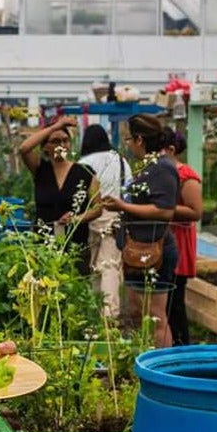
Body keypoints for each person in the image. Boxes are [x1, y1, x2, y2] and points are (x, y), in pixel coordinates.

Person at [101, 113, 179, 348]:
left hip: (155, 251)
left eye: (128, 140)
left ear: (139, 139)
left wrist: (123, 206)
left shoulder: (163, 168)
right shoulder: (149, 166)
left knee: (156, 317)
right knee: (136, 312)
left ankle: (162, 368)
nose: (128, 145)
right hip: (137, 251)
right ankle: (142, 359)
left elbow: (165, 211)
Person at [17, 116, 101, 274]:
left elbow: (98, 208)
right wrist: (56, 126)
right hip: (43, 244)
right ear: (44, 147)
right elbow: (24, 149)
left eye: (65, 140)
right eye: (55, 141)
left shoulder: (85, 172)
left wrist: (76, 218)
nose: (61, 145)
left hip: (75, 244)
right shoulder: (41, 169)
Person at [79, 124, 132, 317]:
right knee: (110, 264)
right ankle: (109, 313)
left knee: (95, 264)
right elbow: (128, 190)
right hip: (116, 215)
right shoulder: (121, 161)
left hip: (92, 217)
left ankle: (96, 310)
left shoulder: (85, 162)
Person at [163, 129, 202, 345]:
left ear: (171, 150)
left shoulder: (185, 175)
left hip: (178, 239)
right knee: (165, 302)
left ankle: (182, 345)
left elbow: (195, 211)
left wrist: (162, 208)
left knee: (175, 301)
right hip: (163, 239)